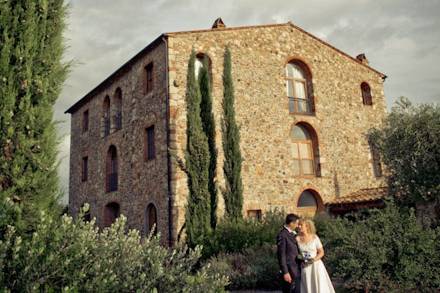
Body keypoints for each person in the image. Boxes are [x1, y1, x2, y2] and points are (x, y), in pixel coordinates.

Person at [296, 219, 335, 293]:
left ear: (307, 227)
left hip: (316, 265)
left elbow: (321, 252)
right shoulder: (297, 239)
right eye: (299, 225)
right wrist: (300, 258)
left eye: (301, 225)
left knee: (319, 286)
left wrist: (313, 260)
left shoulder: (314, 237)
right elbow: (296, 253)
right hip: (305, 266)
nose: (299, 226)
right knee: (307, 286)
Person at [277, 213, 302, 293]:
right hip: (289, 271)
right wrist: (285, 272)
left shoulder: (294, 234)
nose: (298, 226)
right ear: (291, 223)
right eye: (297, 223)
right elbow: (281, 255)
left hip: (297, 269)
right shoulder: (282, 235)